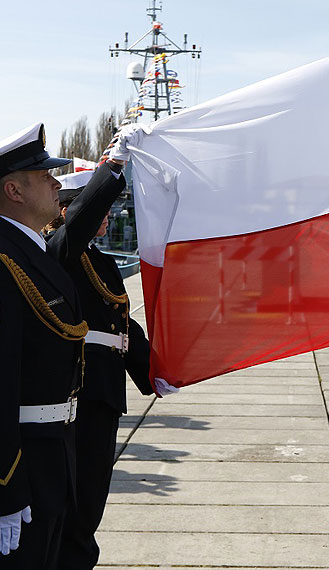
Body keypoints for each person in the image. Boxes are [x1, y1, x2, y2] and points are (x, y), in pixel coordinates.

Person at [47, 125, 177, 570]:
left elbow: (122, 326)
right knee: (68, 512)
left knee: (89, 505)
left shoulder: (100, 262)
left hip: (102, 398)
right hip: (74, 396)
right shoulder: (56, 250)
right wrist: (114, 167)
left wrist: (157, 371)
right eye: (97, 209)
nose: (106, 217)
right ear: (65, 210)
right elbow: (78, 227)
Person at [0, 123, 87, 569]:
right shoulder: (4, 260)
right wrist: (5, 487)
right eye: (45, 176)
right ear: (14, 190)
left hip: (55, 450)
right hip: (22, 465)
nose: (57, 183)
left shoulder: (28, 252)